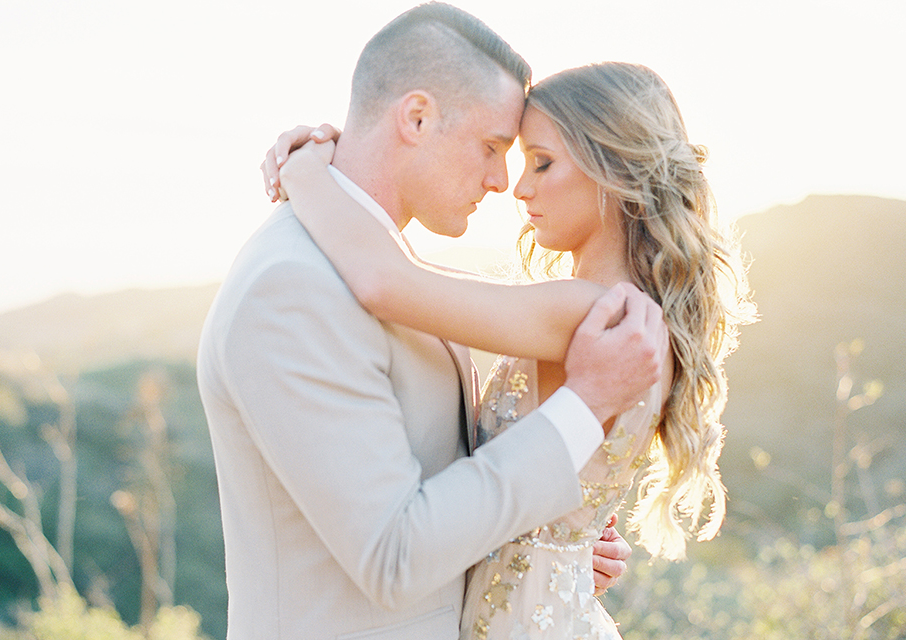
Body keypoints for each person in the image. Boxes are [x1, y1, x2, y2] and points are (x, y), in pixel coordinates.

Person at [197, 4, 667, 640]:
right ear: (416, 118)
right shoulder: (293, 288)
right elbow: (395, 554)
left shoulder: (403, 269)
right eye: (494, 147)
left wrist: (553, 547)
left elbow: (446, 478)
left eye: (532, 160)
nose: (504, 182)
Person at [264, 61, 754, 639]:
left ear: (613, 169)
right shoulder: (634, 313)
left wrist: (307, 172)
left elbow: (386, 282)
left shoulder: (586, 314)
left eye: (541, 163)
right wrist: (570, 545)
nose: (519, 187)